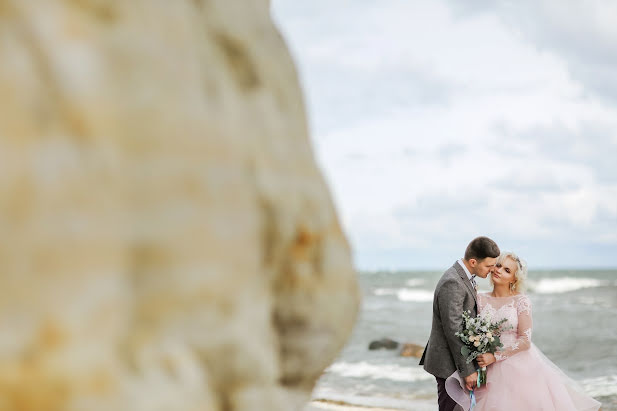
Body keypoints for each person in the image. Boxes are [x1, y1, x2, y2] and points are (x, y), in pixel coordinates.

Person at [445, 251, 602, 411]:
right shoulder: (478, 298)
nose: (499, 270)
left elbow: (525, 340)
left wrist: (495, 356)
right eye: (498, 265)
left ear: (514, 278)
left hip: (517, 366)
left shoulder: (521, 301)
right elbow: (469, 329)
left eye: (507, 270)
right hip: (486, 367)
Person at [419, 236, 500, 411]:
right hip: (449, 364)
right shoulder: (453, 282)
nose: (492, 270)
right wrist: (467, 370)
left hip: (457, 360)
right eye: (488, 266)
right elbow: (453, 329)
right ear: (473, 262)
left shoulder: (464, 277)